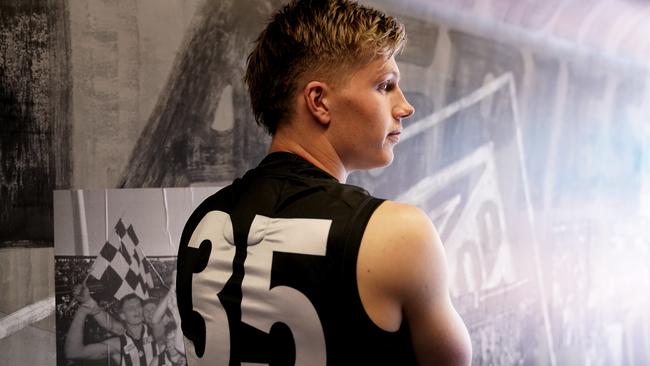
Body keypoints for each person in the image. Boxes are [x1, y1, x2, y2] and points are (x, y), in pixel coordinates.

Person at [176, 0, 472, 365]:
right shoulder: (398, 233)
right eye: (385, 86)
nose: (405, 106)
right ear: (319, 101)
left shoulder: (202, 220)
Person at [65, 291, 158, 366]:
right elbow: (73, 352)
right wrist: (82, 311)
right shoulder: (118, 344)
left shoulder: (156, 329)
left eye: (138, 305)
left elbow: (111, 324)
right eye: (130, 308)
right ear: (122, 316)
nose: (136, 310)